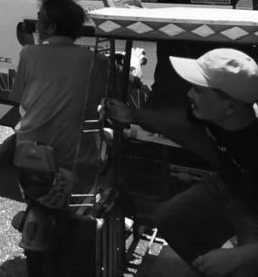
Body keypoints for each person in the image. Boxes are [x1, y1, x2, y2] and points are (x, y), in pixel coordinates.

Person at [106, 48, 258, 277]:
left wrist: (241, 256)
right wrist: (132, 115)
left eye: (197, 89)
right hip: (230, 184)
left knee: (245, 266)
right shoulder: (206, 112)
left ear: (230, 107)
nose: (189, 94)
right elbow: (178, 119)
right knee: (169, 219)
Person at [9, 0, 108, 277]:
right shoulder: (94, 59)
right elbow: (99, 100)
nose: (36, 25)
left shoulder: (29, 54)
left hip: (30, 156)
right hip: (76, 157)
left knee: (37, 199)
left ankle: (35, 226)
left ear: (50, 26)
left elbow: (17, 98)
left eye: (40, 20)